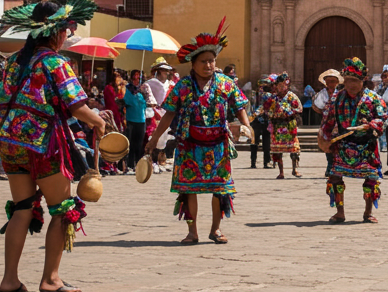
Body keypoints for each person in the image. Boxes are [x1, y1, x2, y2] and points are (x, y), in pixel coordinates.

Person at [0, 0, 108, 292]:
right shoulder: (54, 63)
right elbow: (78, 107)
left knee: (23, 205)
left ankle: (10, 279)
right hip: (42, 143)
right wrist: (99, 122)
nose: (67, 36)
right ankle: (50, 278)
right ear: (57, 32)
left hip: (9, 142)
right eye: (67, 30)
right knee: (63, 208)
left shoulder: (13, 63)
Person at [147, 21, 252, 245]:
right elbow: (169, 114)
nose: (208, 65)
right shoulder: (183, 86)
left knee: (220, 189)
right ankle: (192, 231)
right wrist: (155, 138)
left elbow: (239, 107)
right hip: (189, 145)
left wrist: (247, 126)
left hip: (218, 145)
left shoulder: (226, 83)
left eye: (211, 61)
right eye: (203, 61)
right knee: (188, 191)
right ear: (192, 63)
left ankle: (215, 229)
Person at [318, 57, 387, 223]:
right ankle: (340, 212)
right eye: (348, 80)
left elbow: (383, 118)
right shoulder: (336, 99)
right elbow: (328, 121)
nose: (351, 84)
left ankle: (368, 212)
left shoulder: (373, 99)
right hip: (343, 145)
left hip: (367, 145)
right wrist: (324, 138)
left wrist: (371, 125)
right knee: (334, 177)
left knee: (371, 178)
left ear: (363, 80)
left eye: (354, 80)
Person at [263, 73, 303, 179]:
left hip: (289, 126)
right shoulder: (273, 98)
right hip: (277, 126)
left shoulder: (291, 96)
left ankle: (295, 169)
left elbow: (299, 108)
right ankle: (281, 172)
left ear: (287, 85)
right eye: (279, 85)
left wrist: (289, 111)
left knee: (294, 149)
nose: (281, 88)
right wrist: (273, 113)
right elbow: (267, 110)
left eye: (283, 85)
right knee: (277, 151)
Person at [122, 70, 148, 169]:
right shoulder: (127, 90)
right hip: (131, 120)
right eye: (135, 78)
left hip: (141, 121)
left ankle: (138, 164)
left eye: (139, 78)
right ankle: (130, 165)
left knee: (139, 144)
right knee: (131, 144)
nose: (137, 80)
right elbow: (127, 102)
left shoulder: (141, 92)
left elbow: (144, 105)